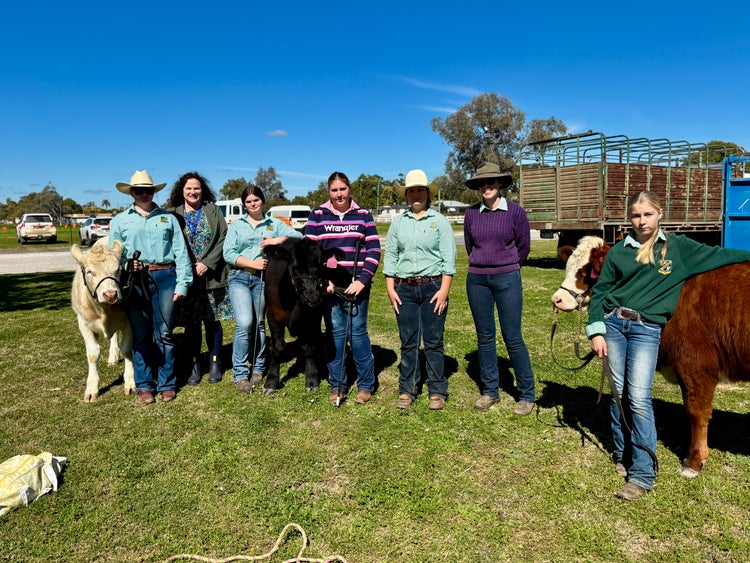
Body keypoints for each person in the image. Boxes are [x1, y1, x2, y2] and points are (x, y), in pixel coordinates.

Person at [586, 190, 750, 501]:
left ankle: (643, 472)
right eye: (636, 215)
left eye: (648, 214)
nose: (642, 221)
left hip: (647, 328)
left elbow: (721, 255)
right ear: (629, 218)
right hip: (615, 325)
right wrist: (596, 330)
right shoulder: (620, 252)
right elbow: (601, 292)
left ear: (660, 214)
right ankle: (623, 453)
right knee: (618, 392)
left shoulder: (678, 248)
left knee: (638, 396)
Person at [109, 170, 192, 404]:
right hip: (135, 281)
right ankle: (144, 384)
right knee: (141, 333)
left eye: (148, 190)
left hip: (166, 276)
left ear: (154, 192)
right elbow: (113, 256)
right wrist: (126, 263)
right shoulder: (120, 220)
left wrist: (182, 284)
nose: (144, 194)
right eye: (139, 191)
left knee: (164, 333)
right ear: (131, 193)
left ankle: (167, 382)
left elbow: (181, 253)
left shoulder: (168, 218)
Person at [464, 162, 536, 415]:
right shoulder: (471, 214)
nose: (487, 186)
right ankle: (490, 391)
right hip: (477, 280)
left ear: (500, 184)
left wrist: (507, 265)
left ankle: (526, 394)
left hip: (507, 278)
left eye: (491, 182)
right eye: (482, 183)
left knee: (512, 336)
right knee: (485, 336)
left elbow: (523, 247)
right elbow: (470, 246)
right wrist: (483, 264)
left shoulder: (516, 212)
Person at [305, 171, 381, 406]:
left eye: (343, 189)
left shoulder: (363, 215)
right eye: (334, 190)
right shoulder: (317, 215)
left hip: (356, 286)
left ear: (349, 189)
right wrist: (323, 282)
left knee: (357, 334)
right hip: (330, 288)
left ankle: (366, 384)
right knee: (336, 335)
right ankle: (337, 384)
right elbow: (310, 253)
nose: (339, 194)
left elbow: (374, 251)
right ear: (329, 191)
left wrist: (362, 280)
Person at [383, 169, 455, 410]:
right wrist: (390, 288)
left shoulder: (439, 221)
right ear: (406, 195)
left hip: (433, 286)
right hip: (404, 289)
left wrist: (444, 290)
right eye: (411, 191)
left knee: (433, 340)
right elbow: (391, 256)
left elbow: (448, 258)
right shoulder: (398, 223)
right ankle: (407, 389)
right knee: (408, 340)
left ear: (427, 194)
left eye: (420, 191)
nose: (416, 195)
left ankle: (437, 389)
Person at [223, 184, 302, 392]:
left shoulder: (274, 224)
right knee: (244, 323)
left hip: (263, 281)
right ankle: (240, 373)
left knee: (259, 323)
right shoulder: (236, 225)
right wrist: (252, 263)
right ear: (244, 205)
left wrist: (277, 240)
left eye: (256, 200)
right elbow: (228, 253)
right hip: (240, 277)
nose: (252, 204)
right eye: (248, 202)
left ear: (262, 201)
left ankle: (258, 368)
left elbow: (299, 238)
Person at [166, 171, 232, 386]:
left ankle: (214, 361)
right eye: (188, 189)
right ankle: (195, 364)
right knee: (191, 324)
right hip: (187, 278)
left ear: (202, 190)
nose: (193, 192)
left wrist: (207, 263)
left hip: (211, 276)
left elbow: (223, 237)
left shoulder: (212, 210)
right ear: (181, 191)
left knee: (213, 321)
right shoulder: (172, 213)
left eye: (196, 188)